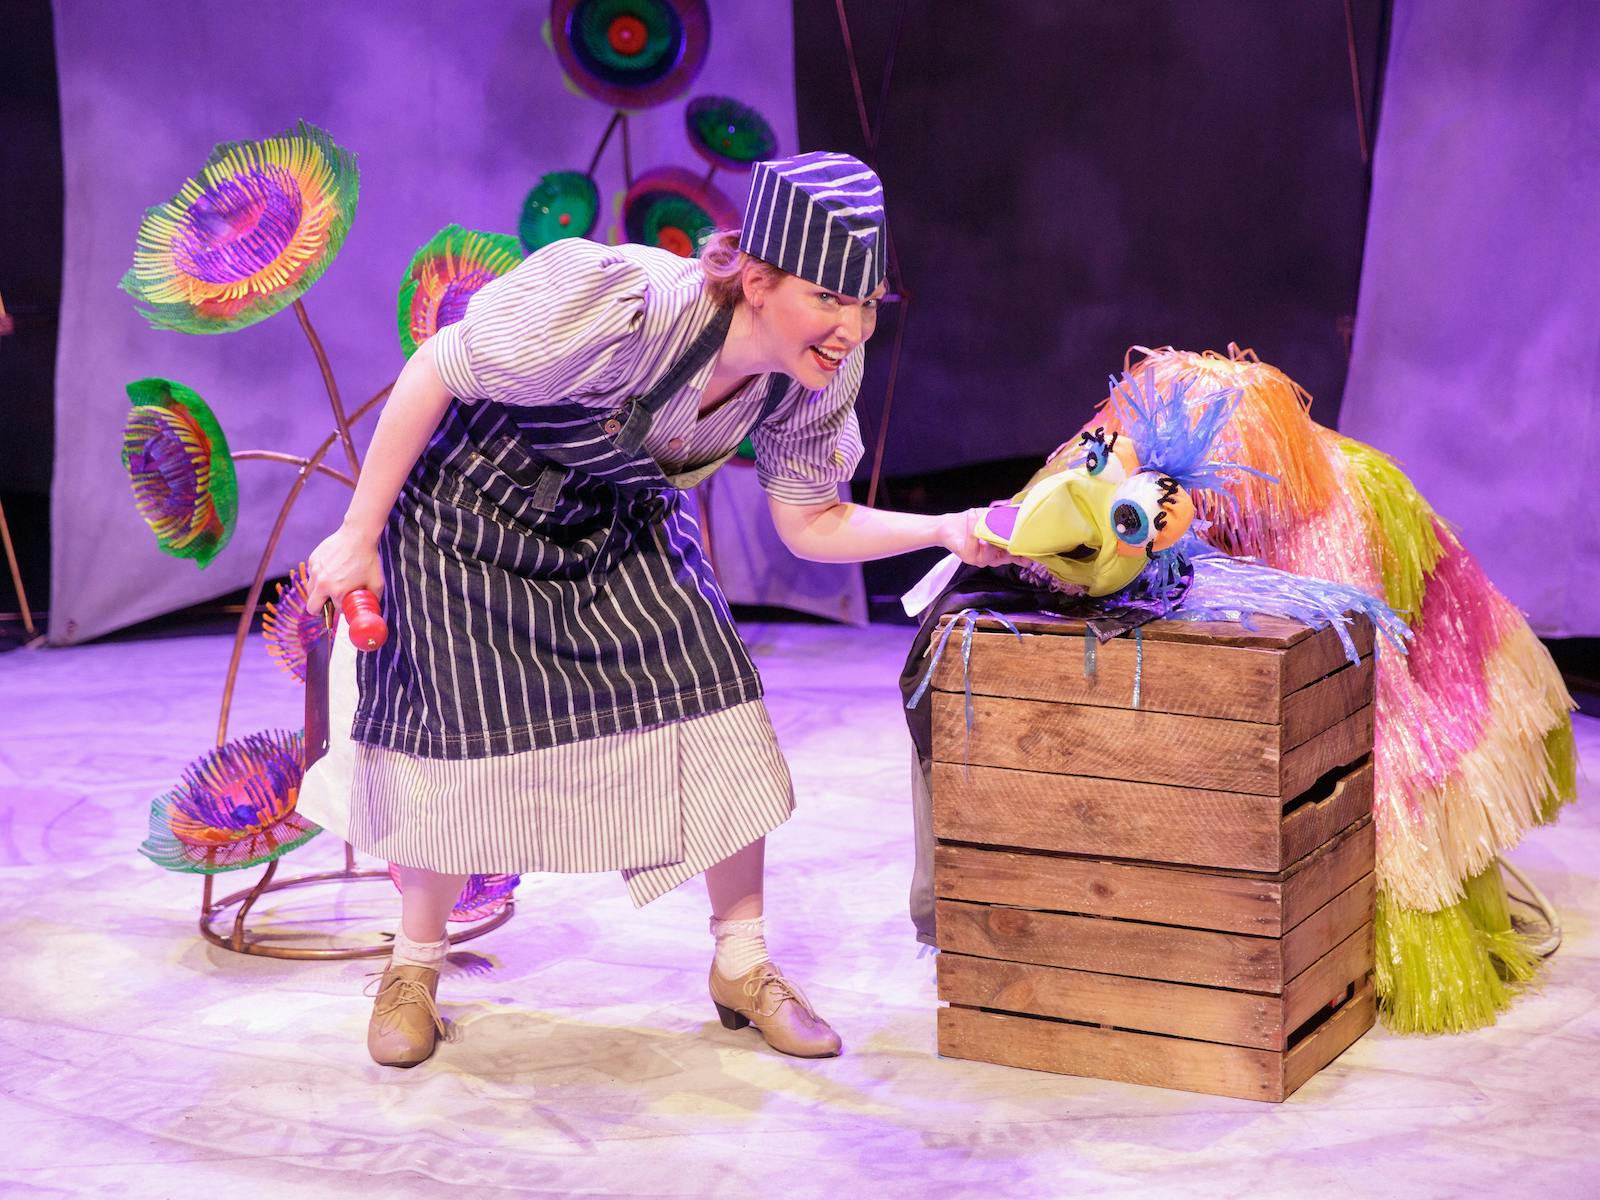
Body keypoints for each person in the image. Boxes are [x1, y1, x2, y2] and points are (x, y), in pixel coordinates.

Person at [299, 151, 1012, 1068]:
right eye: (830, 298)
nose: (852, 327)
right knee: (454, 732)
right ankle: (413, 968)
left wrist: (946, 528)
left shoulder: (815, 370)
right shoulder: (626, 303)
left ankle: (742, 964)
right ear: (757, 278)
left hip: (616, 519)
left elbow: (810, 521)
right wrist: (360, 533)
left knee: (716, 697)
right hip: (471, 513)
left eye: (867, 302)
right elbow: (438, 364)